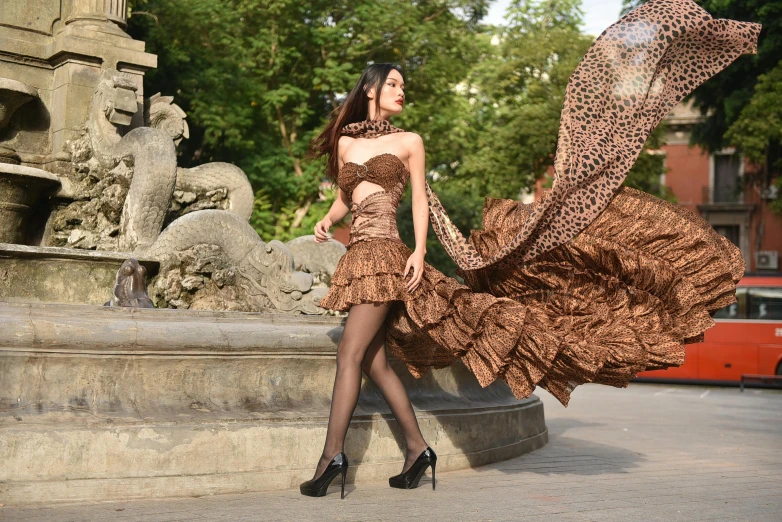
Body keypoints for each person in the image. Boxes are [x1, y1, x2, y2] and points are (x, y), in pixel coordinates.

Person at [300, 0, 761, 499]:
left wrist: (417, 252)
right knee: (372, 362)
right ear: (370, 87)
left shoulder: (410, 141)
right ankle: (418, 450)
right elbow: (346, 197)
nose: (401, 92)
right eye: (393, 84)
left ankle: (332, 459)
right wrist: (327, 220)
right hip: (356, 257)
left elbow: (418, 203)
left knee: (348, 355)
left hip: (388, 258)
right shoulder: (346, 142)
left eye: (403, 86)